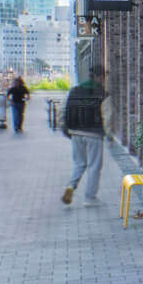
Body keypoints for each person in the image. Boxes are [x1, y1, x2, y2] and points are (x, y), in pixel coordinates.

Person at [60, 67, 108, 205]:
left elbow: (63, 109)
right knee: (94, 166)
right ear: (100, 77)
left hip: (76, 132)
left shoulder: (74, 90)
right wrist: (108, 134)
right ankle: (89, 198)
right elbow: (107, 115)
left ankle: (71, 186)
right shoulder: (102, 93)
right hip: (94, 134)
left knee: (79, 163)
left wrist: (65, 128)